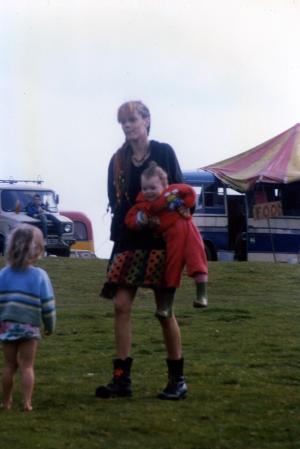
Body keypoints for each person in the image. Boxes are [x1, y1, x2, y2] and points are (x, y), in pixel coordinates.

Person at [97, 100, 187, 400]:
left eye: (132, 120)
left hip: (161, 241)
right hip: (129, 241)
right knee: (121, 305)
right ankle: (121, 380)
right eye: (123, 122)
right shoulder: (117, 161)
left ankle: (177, 380)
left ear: (147, 121)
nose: (127, 126)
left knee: (164, 312)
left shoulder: (164, 152)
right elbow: (115, 200)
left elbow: (180, 195)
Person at [125, 161, 208, 312]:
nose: (148, 191)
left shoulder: (172, 193)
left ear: (164, 186)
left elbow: (189, 191)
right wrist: (141, 220)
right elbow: (130, 219)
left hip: (189, 231)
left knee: (197, 260)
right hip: (171, 239)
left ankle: (201, 295)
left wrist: (186, 204)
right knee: (171, 268)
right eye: (145, 188)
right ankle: (166, 307)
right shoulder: (144, 206)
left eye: (153, 188)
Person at [0, 225, 56, 411]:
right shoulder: (40, 276)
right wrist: (50, 325)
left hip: (7, 326)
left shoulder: (3, 274)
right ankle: (26, 403)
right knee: (27, 366)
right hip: (30, 327)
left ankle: (6, 402)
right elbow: (48, 305)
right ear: (36, 250)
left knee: (9, 366)